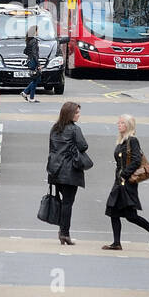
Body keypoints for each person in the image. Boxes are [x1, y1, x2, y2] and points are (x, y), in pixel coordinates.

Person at [102, 115, 149, 251]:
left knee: (131, 216)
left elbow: (136, 160)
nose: (119, 124)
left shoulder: (132, 140)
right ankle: (116, 243)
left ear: (128, 125)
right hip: (119, 182)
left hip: (127, 182)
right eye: (119, 122)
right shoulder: (122, 141)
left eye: (122, 123)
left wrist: (124, 174)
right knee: (113, 211)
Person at [46, 102, 90, 246]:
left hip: (55, 170)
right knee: (67, 204)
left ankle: (62, 231)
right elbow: (83, 146)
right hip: (70, 171)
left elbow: (52, 148)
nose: (79, 115)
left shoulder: (55, 128)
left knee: (62, 201)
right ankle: (64, 234)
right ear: (70, 114)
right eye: (76, 112)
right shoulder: (74, 129)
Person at [21, 26, 41, 103]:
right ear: (34, 32)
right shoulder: (34, 41)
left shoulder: (29, 40)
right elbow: (35, 54)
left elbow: (25, 51)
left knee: (36, 79)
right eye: (37, 30)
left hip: (30, 61)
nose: (38, 32)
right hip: (33, 61)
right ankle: (28, 95)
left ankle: (27, 94)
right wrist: (38, 64)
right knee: (36, 79)